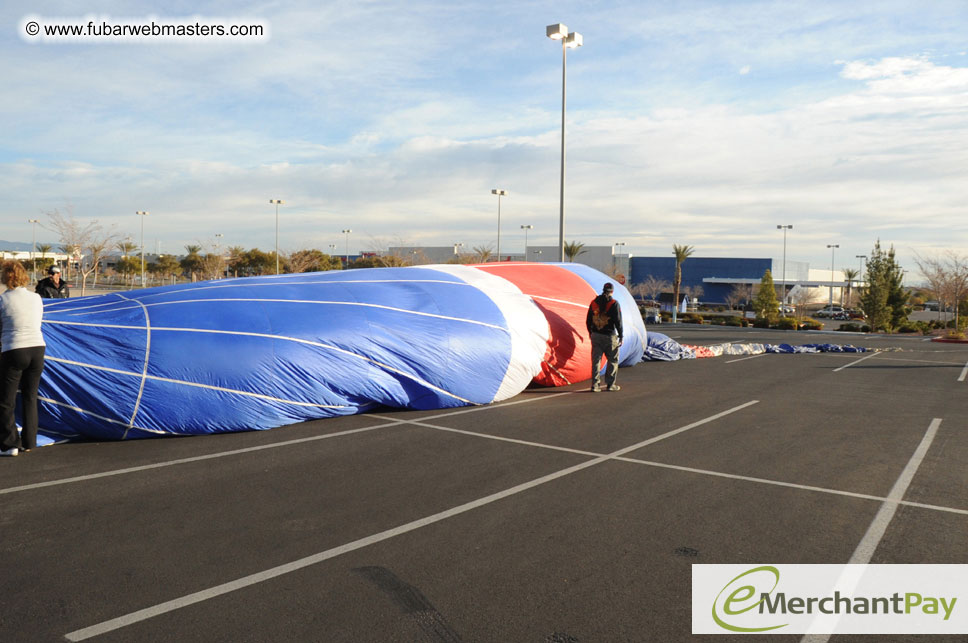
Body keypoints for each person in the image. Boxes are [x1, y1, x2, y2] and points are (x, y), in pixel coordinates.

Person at [0, 260, 46, 456]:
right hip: (37, 348)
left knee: (6, 400)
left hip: (14, 349)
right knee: (30, 396)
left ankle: (10, 444)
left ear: (5, 277)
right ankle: (30, 441)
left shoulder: (3, 300)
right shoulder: (36, 298)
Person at [586, 282, 623, 392]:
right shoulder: (614, 303)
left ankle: (595, 385)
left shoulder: (594, 303)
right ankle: (610, 384)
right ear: (612, 291)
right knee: (612, 360)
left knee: (596, 360)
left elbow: (588, 320)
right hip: (609, 336)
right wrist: (621, 335)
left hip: (596, 335)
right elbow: (618, 322)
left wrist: (591, 333)